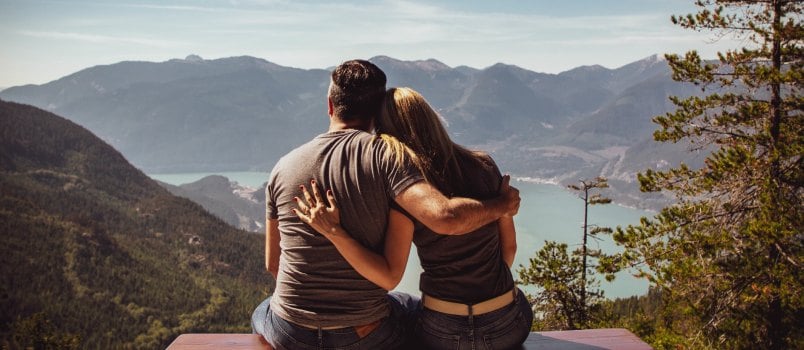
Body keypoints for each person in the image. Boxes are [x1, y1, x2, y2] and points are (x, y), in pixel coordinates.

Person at [251, 61, 521, 350]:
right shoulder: (389, 159)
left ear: (330, 105)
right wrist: (502, 205)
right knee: (405, 306)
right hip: (364, 334)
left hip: (290, 332)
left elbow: (274, 264)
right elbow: (443, 219)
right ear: (376, 111)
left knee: (262, 310)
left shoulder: (282, 167)